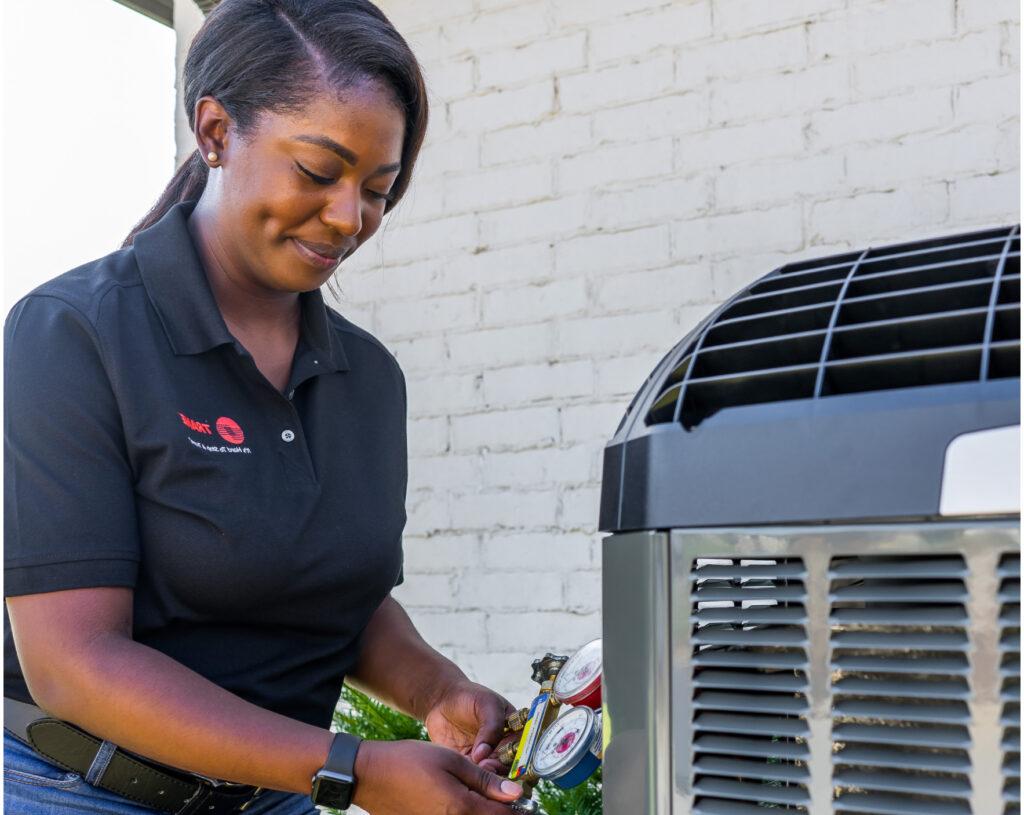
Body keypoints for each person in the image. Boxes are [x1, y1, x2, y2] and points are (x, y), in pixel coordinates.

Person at [3, 1, 524, 813]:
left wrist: (437, 688)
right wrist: (354, 768)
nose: (351, 217)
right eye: (318, 172)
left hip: (273, 796)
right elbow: (73, 660)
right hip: (78, 792)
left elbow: (335, 595)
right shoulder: (72, 333)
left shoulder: (370, 378)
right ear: (215, 132)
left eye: (379, 190)